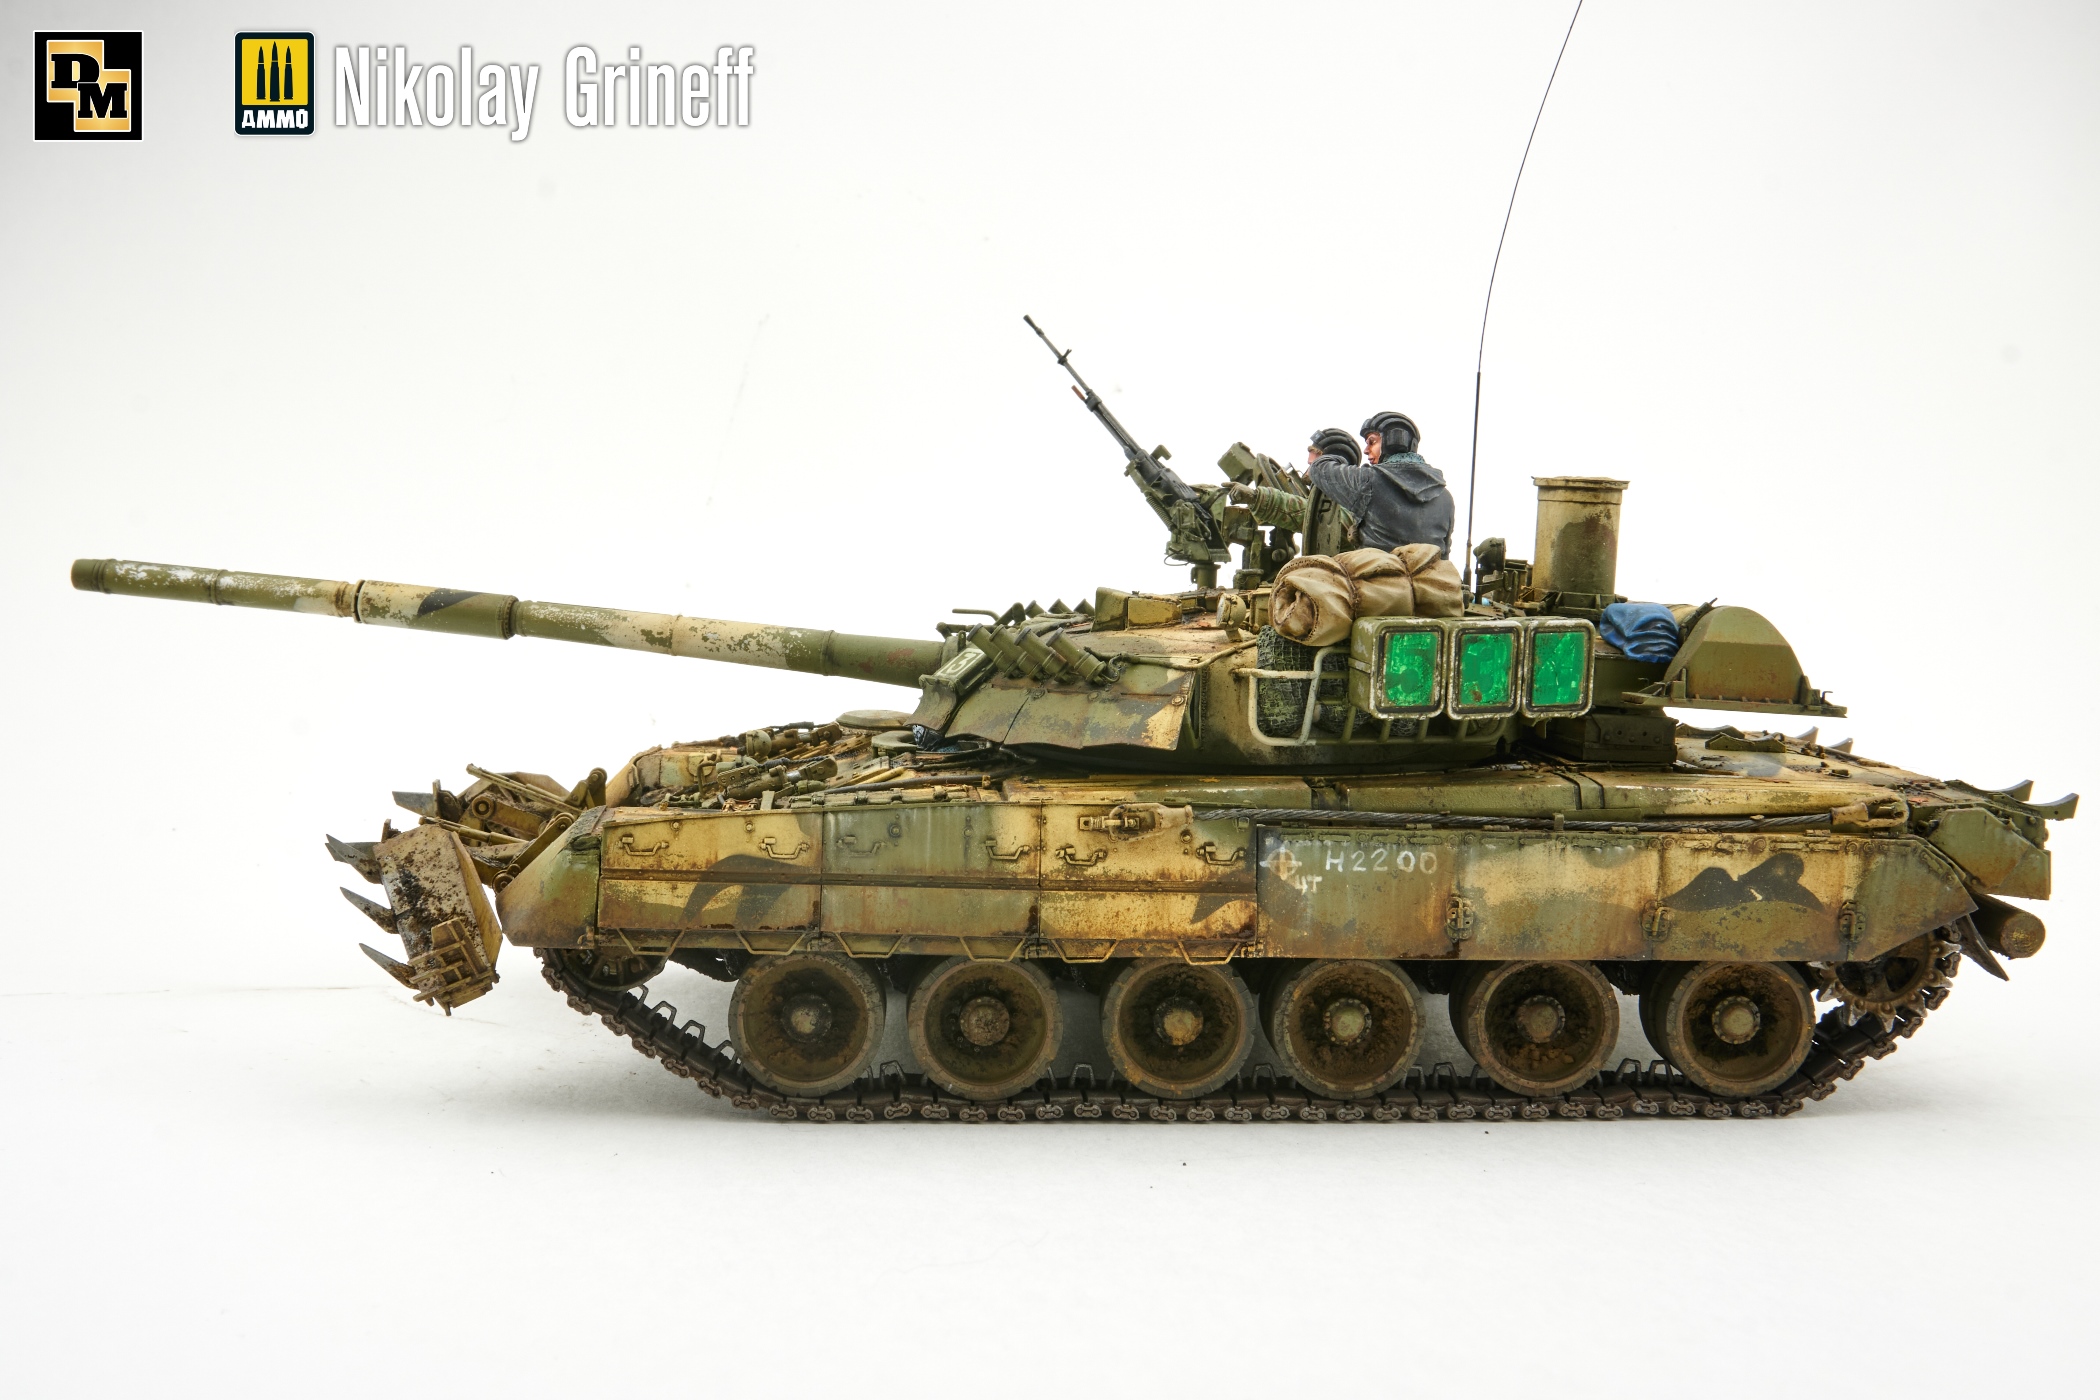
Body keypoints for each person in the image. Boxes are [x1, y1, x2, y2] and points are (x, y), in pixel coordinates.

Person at [1307, 411, 1455, 557]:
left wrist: (1338, 453)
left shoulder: (1368, 479)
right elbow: (1444, 553)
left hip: (1375, 570)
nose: (1366, 450)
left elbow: (1319, 468)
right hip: (1429, 572)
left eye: (1372, 442)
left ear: (1393, 441)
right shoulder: (1445, 497)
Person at [1230, 429, 1364, 557]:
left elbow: (1312, 516)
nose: (1307, 470)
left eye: (1313, 465)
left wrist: (1257, 498)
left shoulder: (1350, 508)